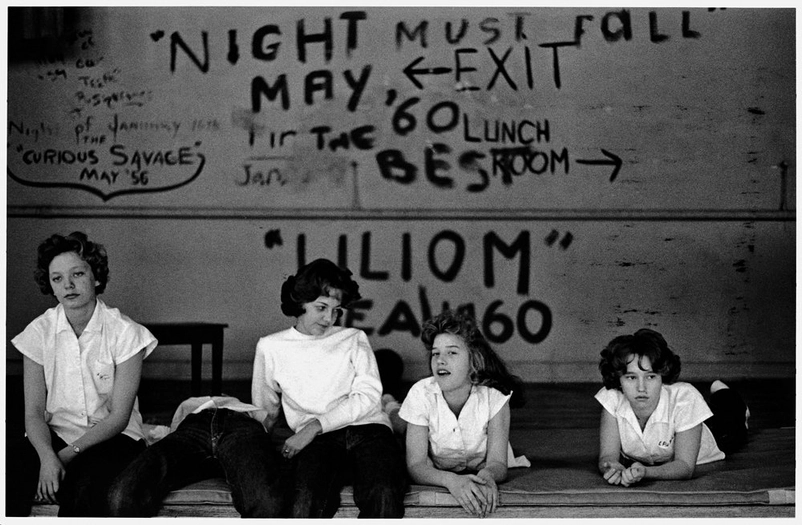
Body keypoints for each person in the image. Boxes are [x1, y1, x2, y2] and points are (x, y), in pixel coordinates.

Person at [7, 232, 157, 516]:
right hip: (55, 434)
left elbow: (118, 417)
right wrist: (47, 456)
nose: (68, 285)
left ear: (96, 277)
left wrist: (63, 457)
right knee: (9, 473)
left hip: (113, 438)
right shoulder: (38, 332)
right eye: (57, 278)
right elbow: (33, 413)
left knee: (86, 489)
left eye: (77, 274)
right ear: (50, 286)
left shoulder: (127, 333)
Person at [251, 258, 407, 518]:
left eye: (336, 310)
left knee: (384, 492)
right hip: (319, 443)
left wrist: (314, 426)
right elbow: (265, 410)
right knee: (305, 500)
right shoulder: (270, 347)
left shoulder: (353, 338)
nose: (329, 318)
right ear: (300, 302)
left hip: (369, 430)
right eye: (321, 307)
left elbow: (368, 397)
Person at [398, 310, 530, 518]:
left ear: (473, 360)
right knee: (396, 424)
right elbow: (416, 465)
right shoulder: (420, 393)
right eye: (435, 353)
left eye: (452, 353)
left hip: (477, 465)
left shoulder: (494, 397)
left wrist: (486, 477)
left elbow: (497, 463)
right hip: (434, 458)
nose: (440, 360)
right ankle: (389, 404)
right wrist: (451, 481)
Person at [596, 328, 750, 487]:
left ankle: (726, 394)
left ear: (662, 377)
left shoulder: (685, 398)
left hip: (717, 434)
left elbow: (685, 466)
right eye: (631, 377)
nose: (641, 388)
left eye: (650, 376)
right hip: (679, 429)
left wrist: (646, 472)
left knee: (731, 415)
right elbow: (607, 457)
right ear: (619, 379)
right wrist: (612, 469)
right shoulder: (612, 398)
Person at [107, 395, 287, 517]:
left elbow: (268, 424)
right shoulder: (191, 405)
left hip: (241, 425)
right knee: (122, 494)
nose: (217, 397)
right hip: (194, 425)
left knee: (266, 501)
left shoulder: (243, 408)